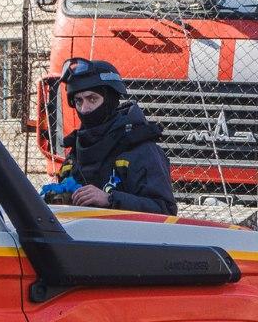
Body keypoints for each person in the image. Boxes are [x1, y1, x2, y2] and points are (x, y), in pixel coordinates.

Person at [50, 58, 176, 215]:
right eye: (78, 101)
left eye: (92, 99)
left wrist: (110, 200)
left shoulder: (140, 149)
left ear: (110, 99)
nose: (85, 108)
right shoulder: (75, 153)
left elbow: (165, 210)